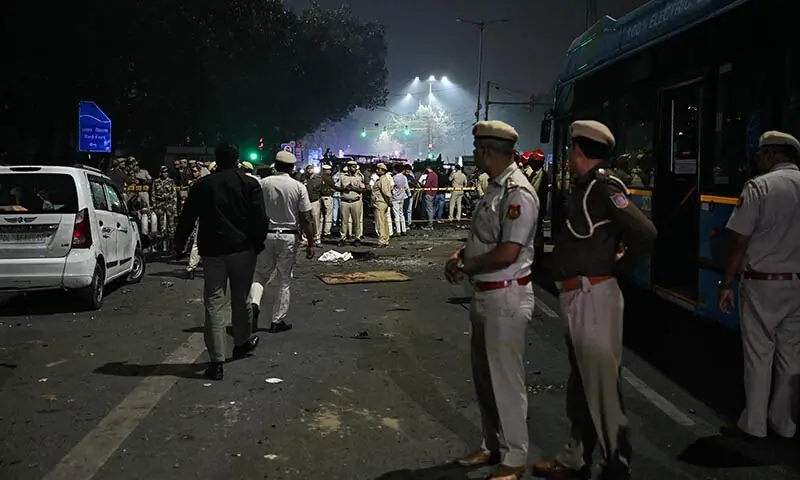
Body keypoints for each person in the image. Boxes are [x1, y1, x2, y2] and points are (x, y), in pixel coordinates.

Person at [533, 121, 656, 480]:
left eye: (572, 149)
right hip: (577, 294)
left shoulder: (603, 185)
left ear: (579, 150)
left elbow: (645, 232)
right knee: (582, 384)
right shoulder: (586, 187)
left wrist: (617, 263)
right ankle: (576, 456)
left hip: (593, 294)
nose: (569, 155)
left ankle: (616, 464)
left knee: (601, 387)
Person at [445, 120, 538, 480]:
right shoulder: (496, 189)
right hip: (485, 294)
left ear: (485, 151)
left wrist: (466, 265)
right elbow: (484, 238)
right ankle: (491, 445)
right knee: (484, 379)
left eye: (477, 149)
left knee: (506, 381)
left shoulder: (518, 192)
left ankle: (515, 457)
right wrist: (460, 256)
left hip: (506, 295)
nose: (475, 155)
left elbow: (508, 251)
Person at [719, 131, 800, 440]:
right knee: (791, 355)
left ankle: (753, 425)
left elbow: (739, 239)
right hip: (797, 284)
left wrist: (727, 282)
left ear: (769, 155)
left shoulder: (759, 187)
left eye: (759, 154)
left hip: (762, 283)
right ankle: (784, 423)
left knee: (759, 354)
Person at [174, 143, 268, 381]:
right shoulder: (249, 184)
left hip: (213, 252)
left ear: (217, 159)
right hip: (243, 251)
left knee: (214, 304)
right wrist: (257, 244)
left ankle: (216, 361)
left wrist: (179, 245)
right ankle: (241, 343)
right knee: (241, 299)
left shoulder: (203, 185)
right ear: (237, 160)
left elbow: (187, 217)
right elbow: (260, 219)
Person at [249, 151, 315, 334]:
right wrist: (310, 242)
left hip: (266, 234)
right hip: (288, 236)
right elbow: (306, 217)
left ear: (275, 165)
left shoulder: (263, 184)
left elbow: (253, 211)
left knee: (260, 274)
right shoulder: (298, 187)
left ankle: (254, 304)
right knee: (284, 279)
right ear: (292, 168)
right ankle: (277, 320)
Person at [338, 160, 366, 247]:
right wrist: (345, 188)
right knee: (344, 221)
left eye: (355, 167)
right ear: (349, 167)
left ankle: (357, 238)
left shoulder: (359, 177)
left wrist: (353, 188)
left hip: (356, 201)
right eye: (353, 167)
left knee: (356, 221)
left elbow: (363, 190)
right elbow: (337, 187)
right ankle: (343, 238)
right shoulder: (342, 176)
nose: (355, 168)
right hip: (344, 201)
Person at [152, 166, 177, 252]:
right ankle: (161, 245)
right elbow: (153, 194)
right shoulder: (156, 182)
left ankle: (172, 245)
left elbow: (174, 194)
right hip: (160, 204)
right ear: (160, 173)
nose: (165, 173)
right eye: (163, 172)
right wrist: (154, 206)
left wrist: (174, 207)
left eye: (166, 172)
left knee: (171, 225)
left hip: (169, 204)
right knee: (161, 225)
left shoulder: (171, 181)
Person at [371, 163, 393, 247]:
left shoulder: (382, 180)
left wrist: (389, 201)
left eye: (378, 169)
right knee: (384, 222)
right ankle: (386, 239)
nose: (376, 170)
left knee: (380, 223)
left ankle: (382, 240)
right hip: (383, 203)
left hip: (380, 203)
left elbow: (386, 193)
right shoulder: (384, 179)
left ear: (382, 171)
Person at [391, 163, 409, 236]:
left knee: (396, 215)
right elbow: (406, 187)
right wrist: (409, 194)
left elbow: (391, 187)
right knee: (402, 214)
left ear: (395, 170)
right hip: (402, 197)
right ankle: (404, 230)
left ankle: (398, 231)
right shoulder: (404, 177)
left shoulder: (394, 178)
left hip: (395, 198)